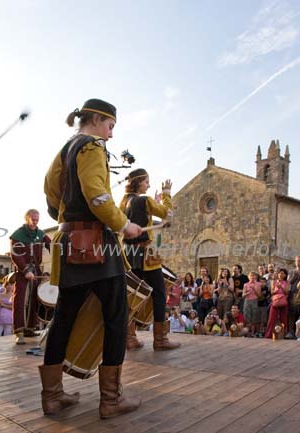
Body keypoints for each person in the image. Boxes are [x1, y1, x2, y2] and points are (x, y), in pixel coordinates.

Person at [41, 99, 143, 419]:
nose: (111, 135)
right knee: (116, 317)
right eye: (110, 126)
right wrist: (123, 224)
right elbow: (98, 196)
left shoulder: (66, 149)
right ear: (97, 119)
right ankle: (111, 400)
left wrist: (67, 214)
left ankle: (53, 396)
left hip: (70, 242)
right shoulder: (92, 147)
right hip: (98, 245)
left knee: (64, 318)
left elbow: (49, 190)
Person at [120, 168, 180, 351]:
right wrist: (167, 196)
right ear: (139, 182)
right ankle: (160, 340)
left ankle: (129, 338)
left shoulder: (124, 202)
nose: (149, 184)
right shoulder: (144, 200)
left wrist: (152, 204)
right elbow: (167, 215)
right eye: (146, 181)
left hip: (129, 254)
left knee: (131, 296)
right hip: (146, 255)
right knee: (160, 294)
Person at [10, 209, 51, 344]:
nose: (35, 222)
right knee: (20, 300)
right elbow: (15, 254)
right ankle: (19, 332)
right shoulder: (18, 235)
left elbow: (52, 245)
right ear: (27, 218)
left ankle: (29, 328)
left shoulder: (40, 233)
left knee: (34, 299)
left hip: (37, 271)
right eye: (33, 219)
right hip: (23, 272)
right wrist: (25, 270)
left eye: (37, 219)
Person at [264, 269, 290, 338]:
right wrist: (276, 289)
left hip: (283, 302)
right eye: (279, 273)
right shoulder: (274, 282)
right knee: (271, 319)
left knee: (283, 319)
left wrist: (281, 287)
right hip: (275, 301)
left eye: (282, 273)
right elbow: (272, 292)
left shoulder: (287, 282)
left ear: (285, 275)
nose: (281, 275)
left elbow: (287, 292)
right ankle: (268, 335)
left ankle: (282, 334)